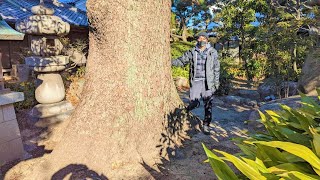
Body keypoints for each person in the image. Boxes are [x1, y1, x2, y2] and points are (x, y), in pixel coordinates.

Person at [172, 32, 220, 135]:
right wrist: (170, 62)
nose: (201, 40)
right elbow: (182, 60)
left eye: (203, 38)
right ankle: (190, 108)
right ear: (197, 39)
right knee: (193, 102)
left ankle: (206, 125)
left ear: (207, 40)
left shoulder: (212, 52)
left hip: (208, 82)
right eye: (199, 38)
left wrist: (216, 83)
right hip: (196, 81)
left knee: (208, 105)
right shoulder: (193, 51)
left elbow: (216, 68)